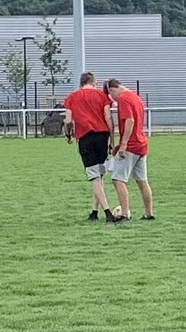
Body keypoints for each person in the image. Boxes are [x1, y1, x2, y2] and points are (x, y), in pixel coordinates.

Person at [62, 72, 117, 223]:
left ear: (81, 83)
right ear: (93, 82)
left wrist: (68, 135)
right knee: (99, 175)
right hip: (102, 137)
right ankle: (94, 212)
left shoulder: (72, 97)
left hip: (86, 138)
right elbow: (108, 118)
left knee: (93, 176)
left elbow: (68, 120)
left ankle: (108, 212)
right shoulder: (102, 96)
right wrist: (112, 140)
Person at [105, 78, 154, 221]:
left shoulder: (123, 99)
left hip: (131, 146)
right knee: (142, 181)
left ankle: (124, 214)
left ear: (112, 90)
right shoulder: (136, 97)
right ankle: (149, 213)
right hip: (141, 144)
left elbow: (130, 120)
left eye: (111, 95)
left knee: (118, 180)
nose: (113, 99)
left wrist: (123, 144)